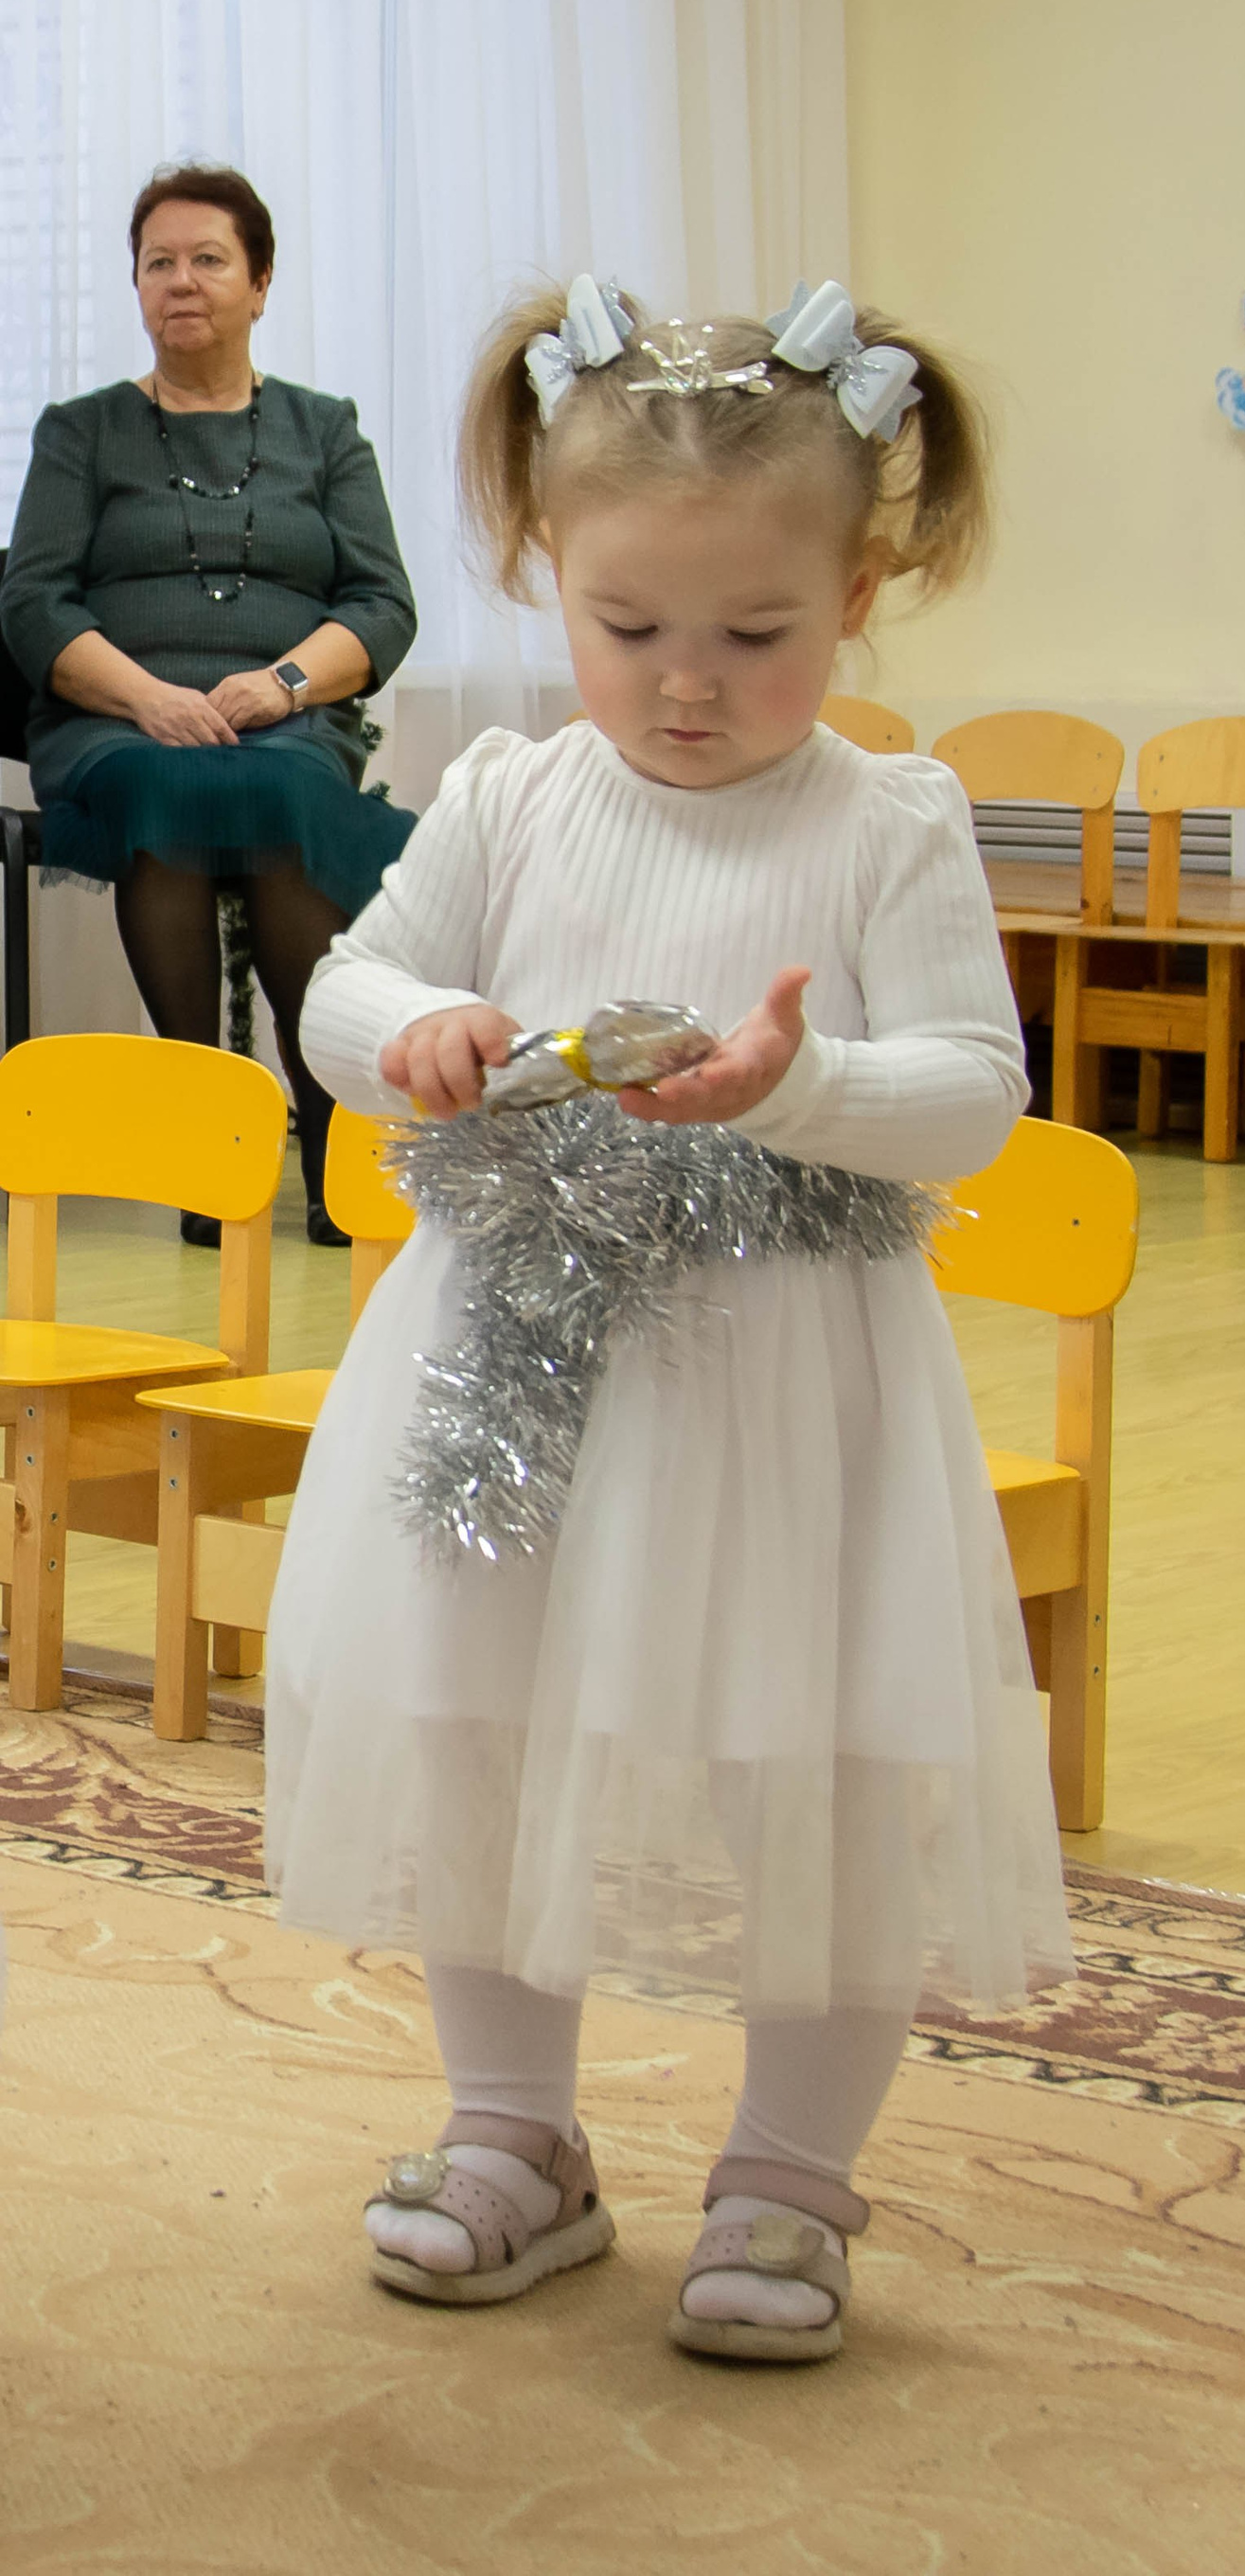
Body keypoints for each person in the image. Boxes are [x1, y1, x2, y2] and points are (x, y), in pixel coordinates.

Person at [265, 274, 1066, 2365]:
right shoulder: (512, 792)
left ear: (862, 589)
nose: (685, 687)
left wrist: (795, 1084)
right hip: (514, 1342)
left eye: (752, 636)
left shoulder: (888, 819)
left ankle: (791, 2177)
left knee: (810, 1753)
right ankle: (513, 2132)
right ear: (548, 571)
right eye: (629, 631)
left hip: (783, 1386)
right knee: (483, 1723)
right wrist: (414, 1028)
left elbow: (979, 1086)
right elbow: (349, 985)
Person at [0, 166, 417, 1242]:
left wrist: (281, 684)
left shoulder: (326, 431)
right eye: (158, 263)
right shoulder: (80, 431)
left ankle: (325, 1136)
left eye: (208, 259)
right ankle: (204, 1144)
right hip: (114, 721)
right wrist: (146, 698)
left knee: (281, 792)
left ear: (261, 282)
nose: (181, 281)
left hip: (285, 719)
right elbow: (33, 602)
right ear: (137, 288)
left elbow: (381, 603)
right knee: (169, 786)